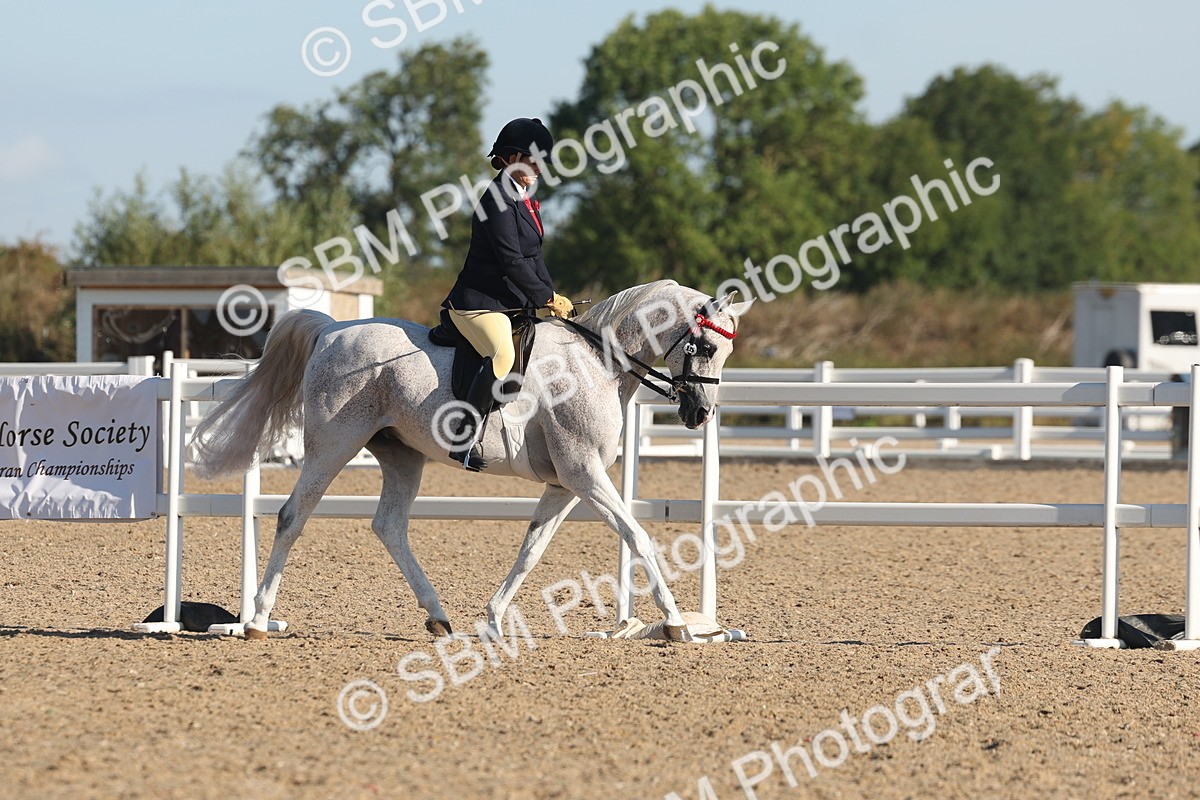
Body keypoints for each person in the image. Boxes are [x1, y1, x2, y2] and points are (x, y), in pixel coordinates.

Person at [441, 117, 573, 471]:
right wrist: (545, 297)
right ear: (513, 158)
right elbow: (512, 261)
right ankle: (463, 438)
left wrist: (554, 296)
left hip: (508, 302)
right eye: (535, 160)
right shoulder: (497, 200)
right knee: (502, 357)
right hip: (477, 304)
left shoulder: (523, 199)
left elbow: (534, 256)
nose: (541, 168)